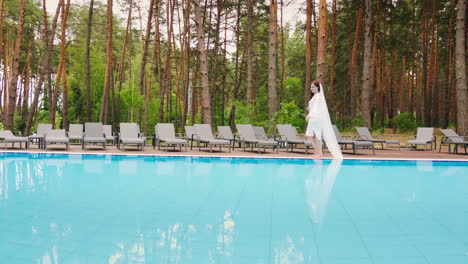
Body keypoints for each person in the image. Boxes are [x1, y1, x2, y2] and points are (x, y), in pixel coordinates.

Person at [305, 80, 343, 159]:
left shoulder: (318, 96)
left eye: (313, 87)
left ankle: (318, 153)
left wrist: (310, 114)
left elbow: (316, 108)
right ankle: (318, 152)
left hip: (316, 118)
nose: (311, 88)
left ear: (317, 87)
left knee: (315, 135)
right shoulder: (315, 96)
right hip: (313, 118)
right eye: (311, 87)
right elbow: (315, 106)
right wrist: (309, 108)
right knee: (311, 136)